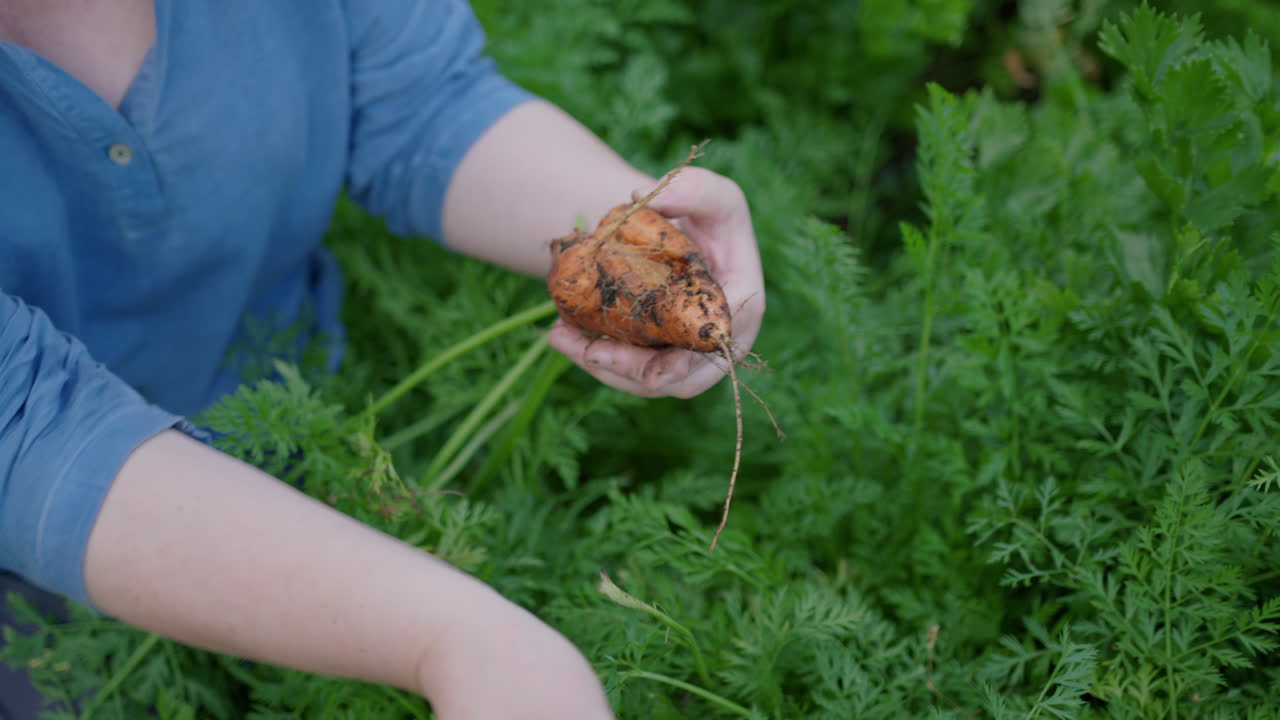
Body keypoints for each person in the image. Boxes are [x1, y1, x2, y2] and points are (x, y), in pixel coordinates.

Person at [0, 0, 765, 718]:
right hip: (33, 579)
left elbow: (423, 104)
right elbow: (29, 434)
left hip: (296, 413)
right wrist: (464, 641)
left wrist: (642, 239)